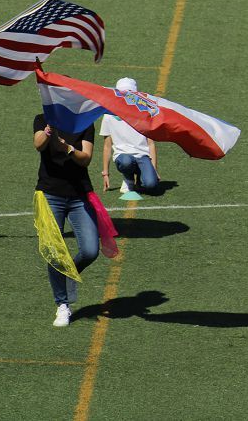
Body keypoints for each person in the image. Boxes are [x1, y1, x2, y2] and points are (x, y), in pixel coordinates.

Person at [33, 111, 100, 327]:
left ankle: (69, 274)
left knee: (90, 250)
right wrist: (47, 132)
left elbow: (86, 158)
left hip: (79, 195)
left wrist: (69, 149)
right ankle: (62, 304)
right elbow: (38, 144)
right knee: (54, 250)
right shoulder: (43, 119)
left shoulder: (85, 123)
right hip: (50, 193)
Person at [100, 78, 159, 194]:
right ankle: (128, 178)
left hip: (142, 155)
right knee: (126, 162)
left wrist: (154, 169)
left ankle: (140, 175)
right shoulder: (108, 115)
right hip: (123, 156)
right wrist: (105, 173)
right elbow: (107, 146)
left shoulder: (145, 113)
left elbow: (151, 143)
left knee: (151, 184)